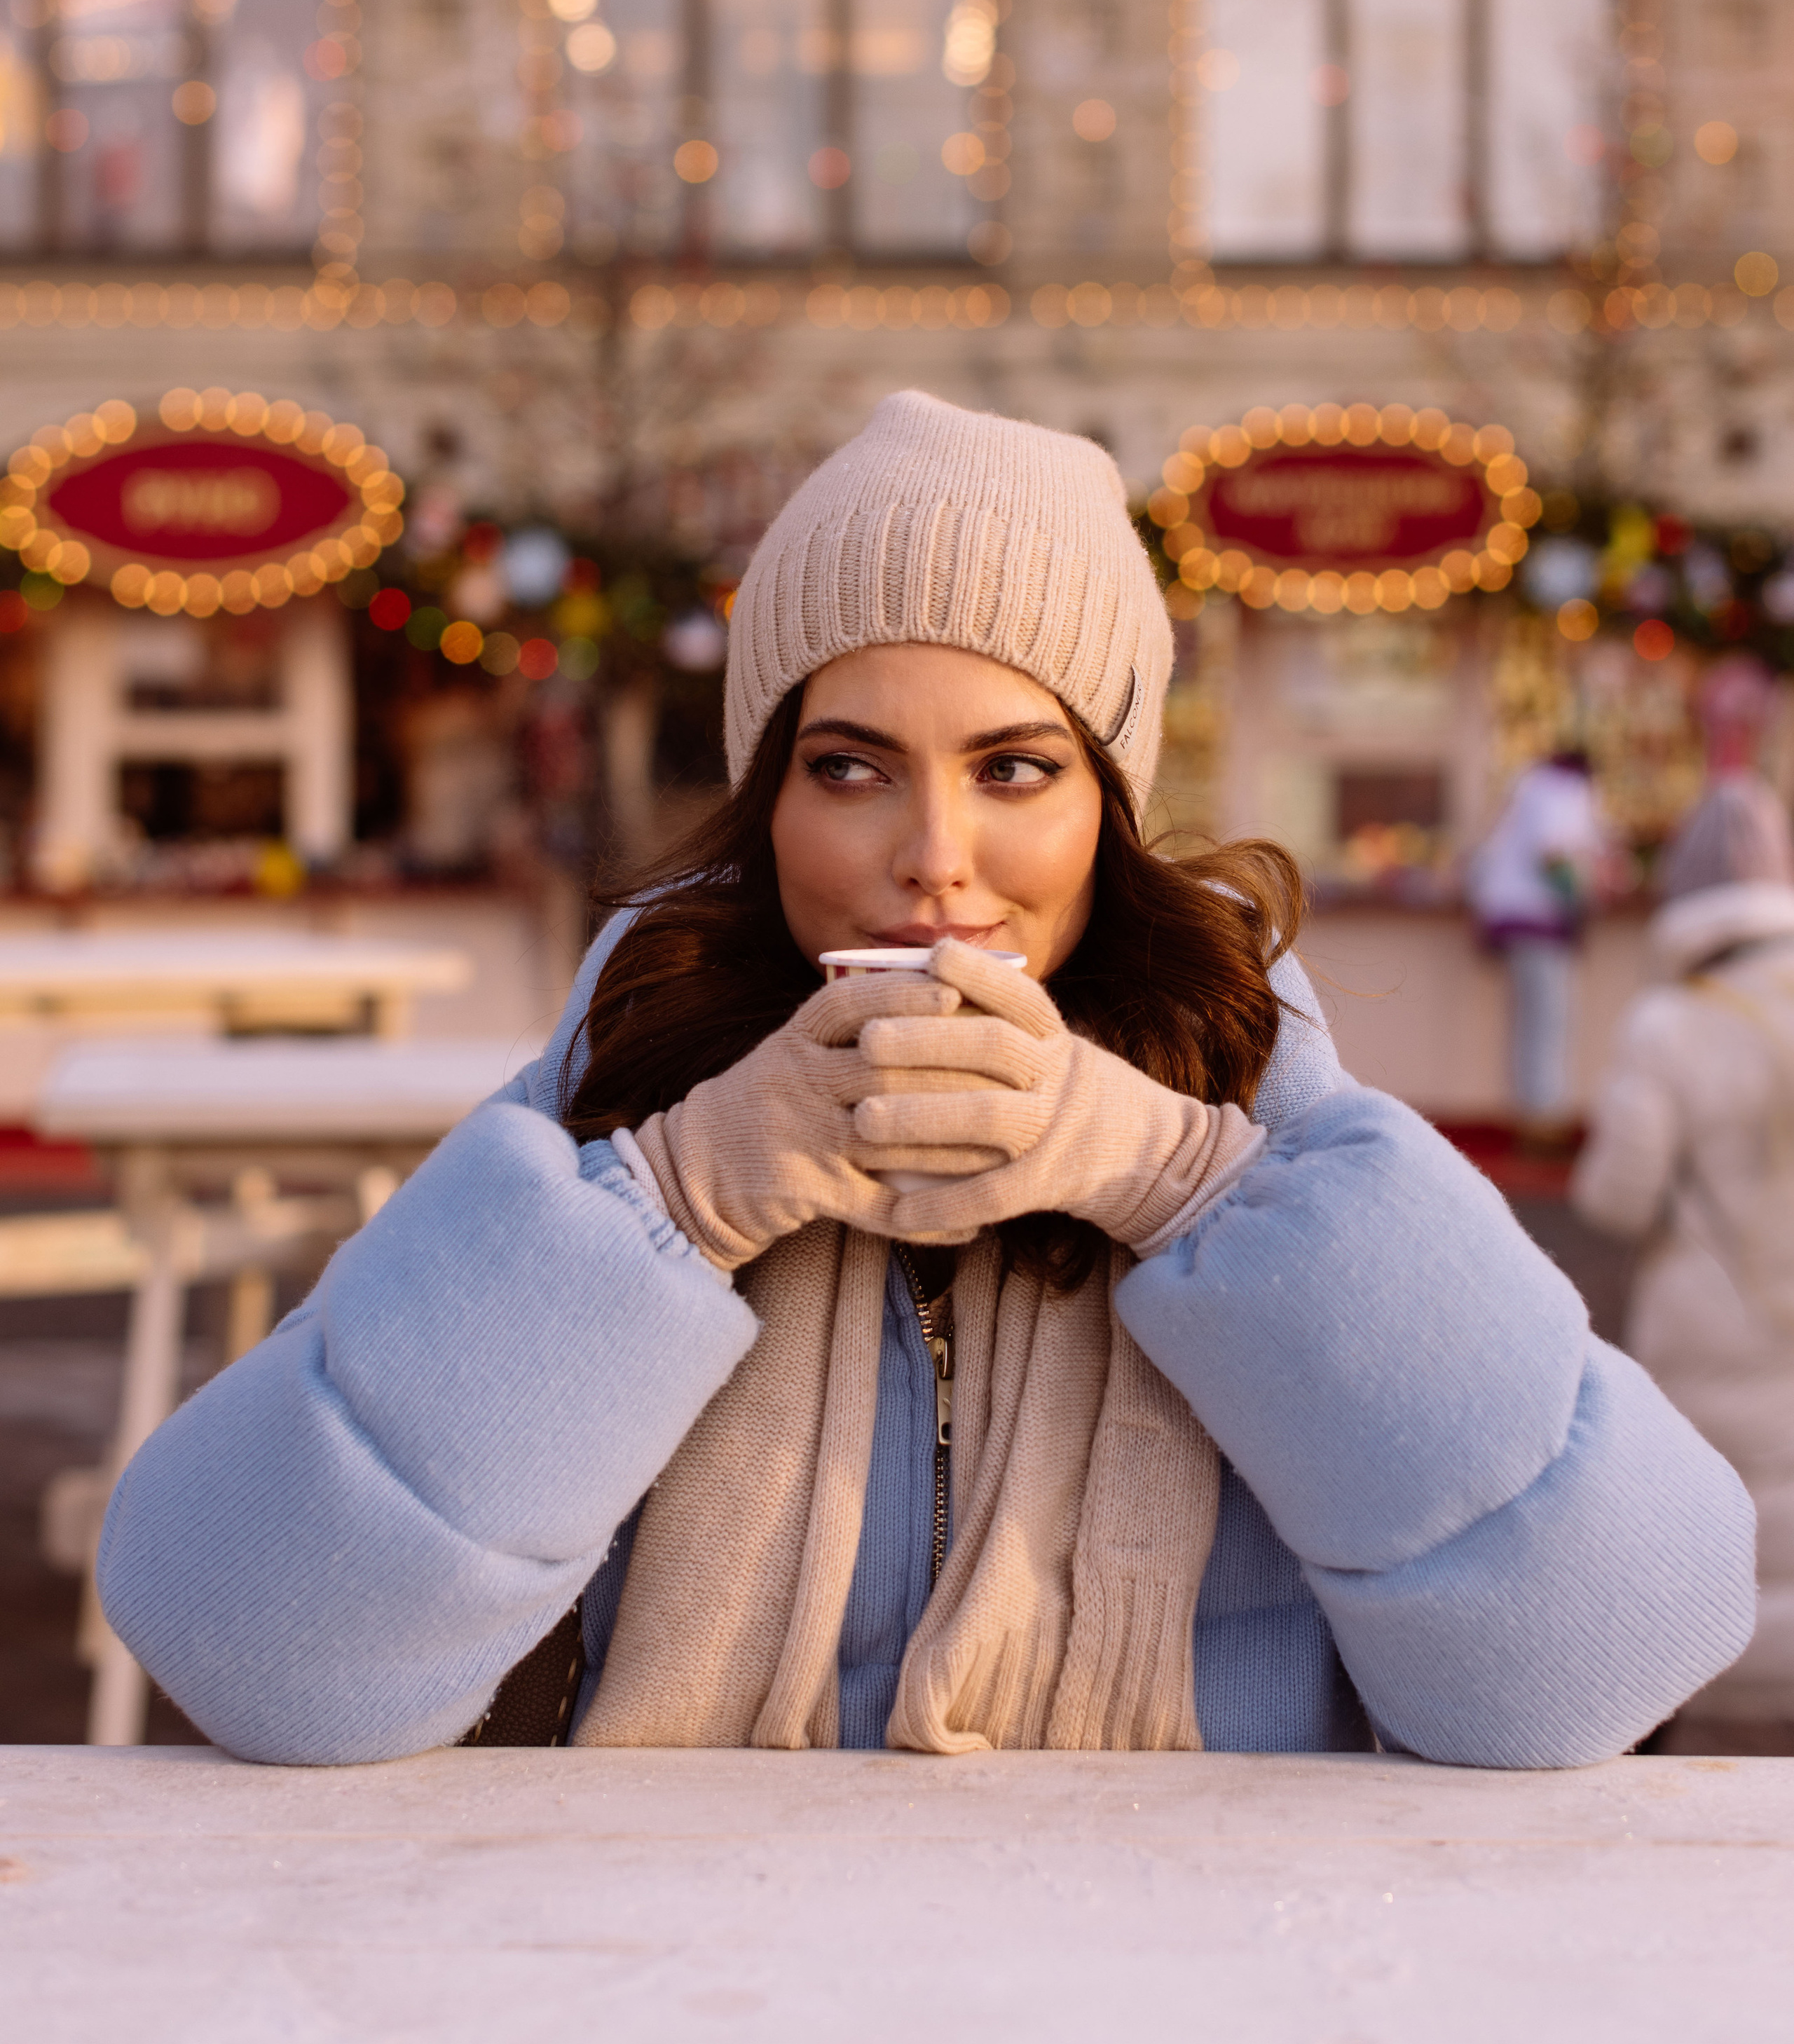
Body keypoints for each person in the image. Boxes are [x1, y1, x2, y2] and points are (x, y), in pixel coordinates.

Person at [97, 392, 1753, 1769]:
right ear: (769, 800)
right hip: (671, 1985)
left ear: (1104, 800)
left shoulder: (1248, 1076)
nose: (934, 862)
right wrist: (680, 1195)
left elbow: (1601, 1650)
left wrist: (1180, 1179)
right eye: (849, 768)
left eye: (1013, 768)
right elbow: (246, 1638)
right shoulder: (636, 1065)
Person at [1572, 768, 1794, 1753]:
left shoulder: (1670, 1024)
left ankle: (1689, 1696)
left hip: (1706, 1319)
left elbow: (1618, 1196)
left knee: (1705, 1526)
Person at [1465, 749, 1610, 1139]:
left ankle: (1534, 1115)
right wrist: (1583, 896)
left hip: (1513, 917)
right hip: (1538, 920)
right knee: (1549, 1021)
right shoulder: (1563, 790)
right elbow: (1555, 856)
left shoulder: (1531, 786)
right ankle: (1544, 1121)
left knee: (1535, 1020)